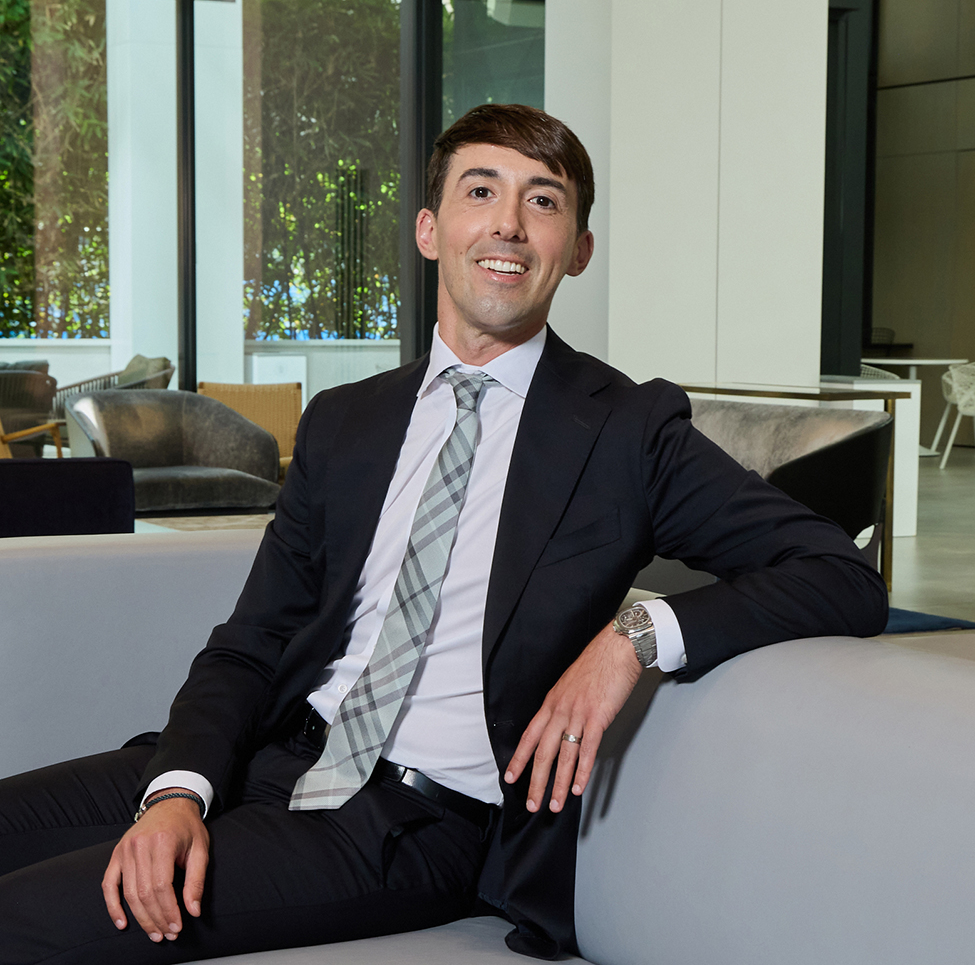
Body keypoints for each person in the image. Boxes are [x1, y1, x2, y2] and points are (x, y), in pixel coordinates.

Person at [0, 104, 887, 964]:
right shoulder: (347, 422)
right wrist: (179, 792)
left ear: (578, 251)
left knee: (28, 920)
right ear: (430, 230)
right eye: (481, 191)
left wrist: (634, 638)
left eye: (543, 200)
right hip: (269, 754)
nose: (508, 224)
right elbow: (253, 640)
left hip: (408, 822)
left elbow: (839, 572)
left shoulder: (627, 432)